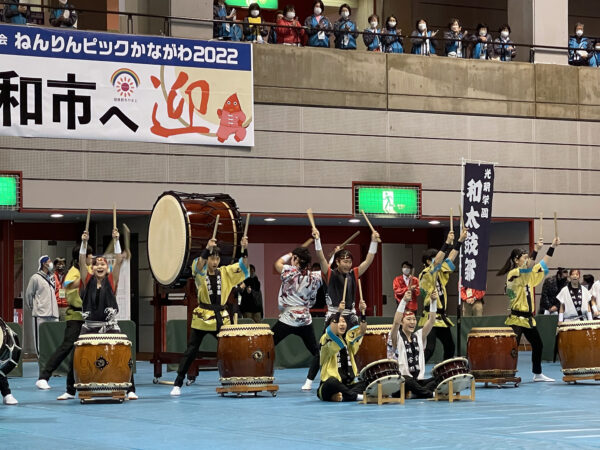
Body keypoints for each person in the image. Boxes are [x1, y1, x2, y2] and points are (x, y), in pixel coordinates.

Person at [171, 236, 249, 396]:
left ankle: (232, 381)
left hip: (221, 316)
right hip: (202, 316)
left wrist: (244, 249)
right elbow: (199, 264)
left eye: (217, 258)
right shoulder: (200, 272)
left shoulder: (226, 272)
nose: (214, 262)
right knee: (192, 350)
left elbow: (243, 267)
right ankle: (178, 382)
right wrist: (206, 248)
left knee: (230, 349)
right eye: (212, 258)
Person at [78, 229, 138, 399]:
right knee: (79, 351)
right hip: (89, 325)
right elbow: (82, 261)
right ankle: (70, 389)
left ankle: (131, 388)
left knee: (121, 352)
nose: (99, 266)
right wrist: (84, 242)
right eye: (96, 264)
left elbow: (119, 261)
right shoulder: (87, 280)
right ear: (92, 268)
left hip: (109, 325)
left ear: (107, 268)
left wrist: (116, 240)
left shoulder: (112, 280)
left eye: (103, 264)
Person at [497, 237, 560, 382]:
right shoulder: (513, 274)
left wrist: (552, 247)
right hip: (516, 317)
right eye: (524, 258)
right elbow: (527, 266)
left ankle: (537, 374)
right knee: (512, 348)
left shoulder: (529, 273)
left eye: (527, 258)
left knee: (538, 344)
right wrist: (536, 250)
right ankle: (506, 374)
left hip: (528, 318)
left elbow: (543, 263)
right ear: (516, 259)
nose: (527, 260)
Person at [35, 245, 93, 400]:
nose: (91, 258)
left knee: (77, 353)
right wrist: (79, 281)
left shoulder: (89, 269)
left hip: (90, 316)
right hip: (75, 316)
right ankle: (44, 377)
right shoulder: (74, 272)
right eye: (89, 255)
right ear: (83, 256)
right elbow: (66, 286)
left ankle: (70, 389)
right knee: (67, 346)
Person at [272, 247, 322, 391]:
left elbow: (277, 263)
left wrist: (289, 254)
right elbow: (327, 268)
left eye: (294, 258)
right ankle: (322, 376)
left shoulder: (290, 272)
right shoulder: (315, 276)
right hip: (305, 319)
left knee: (267, 344)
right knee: (317, 352)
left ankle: (262, 373)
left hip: (288, 318)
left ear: (296, 260)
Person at [313, 227, 381, 327]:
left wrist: (374, 242)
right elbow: (321, 258)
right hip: (333, 315)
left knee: (353, 342)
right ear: (337, 262)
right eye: (345, 262)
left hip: (350, 316)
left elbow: (368, 261)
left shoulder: (353, 274)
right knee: (331, 342)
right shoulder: (330, 274)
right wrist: (317, 240)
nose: (348, 265)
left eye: (350, 262)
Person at [419, 228, 468, 362]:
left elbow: (450, 258)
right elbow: (437, 262)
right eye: (435, 258)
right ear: (428, 261)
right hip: (430, 316)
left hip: (441, 317)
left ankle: (444, 371)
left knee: (450, 346)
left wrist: (459, 241)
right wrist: (446, 242)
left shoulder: (439, 272)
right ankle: (416, 371)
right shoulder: (425, 274)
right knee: (429, 348)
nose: (440, 260)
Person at [387, 287, 438, 398]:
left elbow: (432, 321)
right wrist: (404, 301)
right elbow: (395, 322)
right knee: (407, 380)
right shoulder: (397, 337)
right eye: (409, 319)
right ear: (402, 322)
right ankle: (429, 394)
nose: (412, 322)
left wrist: (433, 302)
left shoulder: (419, 335)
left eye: (414, 319)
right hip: (401, 382)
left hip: (418, 380)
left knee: (440, 377)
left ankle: (418, 392)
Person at [317, 298, 367, 402]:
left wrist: (362, 312)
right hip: (329, 386)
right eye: (339, 322)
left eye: (344, 321)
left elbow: (362, 331)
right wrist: (339, 311)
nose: (342, 324)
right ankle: (354, 397)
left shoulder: (348, 341)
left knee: (367, 382)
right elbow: (331, 331)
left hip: (348, 385)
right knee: (332, 382)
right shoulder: (326, 338)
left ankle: (342, 396)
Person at [25, 255, 59, 356]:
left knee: (53, 339)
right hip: (40, 314)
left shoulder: (52, 278)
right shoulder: (35, 278)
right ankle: (41, 359)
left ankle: (51, 360)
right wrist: (35, 307)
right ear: (44, 264)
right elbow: (29, 294)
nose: (51, 263)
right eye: (49, 261)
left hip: (54, 315)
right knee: (39, 339)